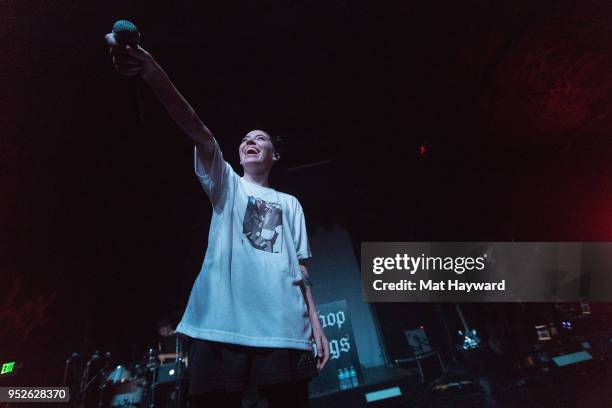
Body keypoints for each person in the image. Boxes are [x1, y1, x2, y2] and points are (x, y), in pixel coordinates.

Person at [106, 33, 330, 407]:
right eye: (245, 138)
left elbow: (302, 272)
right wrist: (151, 71)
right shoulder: (226, 183)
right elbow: (198, 129)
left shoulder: (290, 203)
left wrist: (317, 327)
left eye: (260, 138)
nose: (250, 140)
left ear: (274, 155)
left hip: (285, 330)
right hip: (221, 325)